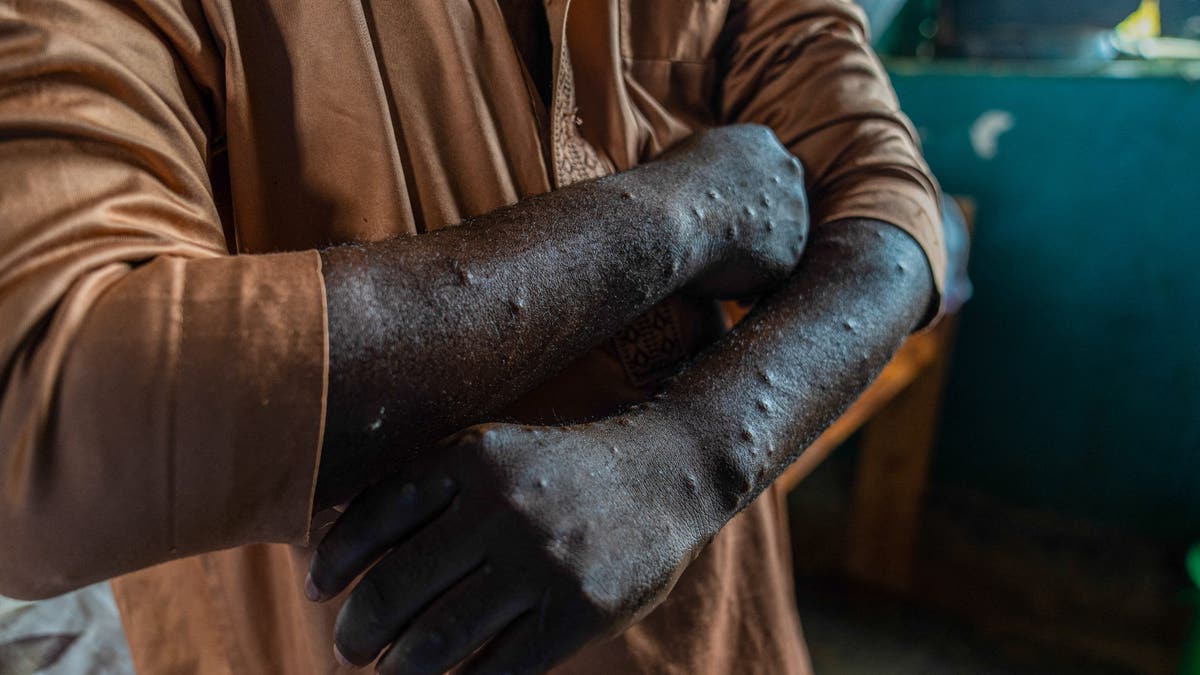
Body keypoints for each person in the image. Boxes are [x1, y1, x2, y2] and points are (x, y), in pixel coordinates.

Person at [0, 0, 946, 672]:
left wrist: (686, 461)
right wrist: (680, 212)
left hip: (720, 636)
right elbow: (40, 415)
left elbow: (891, 215)